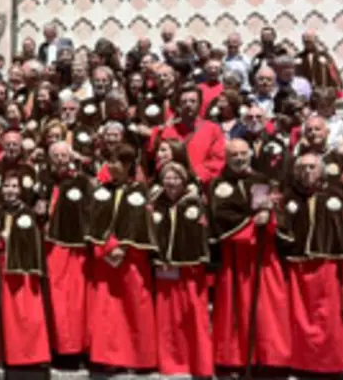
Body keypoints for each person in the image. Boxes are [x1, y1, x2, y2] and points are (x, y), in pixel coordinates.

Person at [277, 153, 343, 374]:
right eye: (303, 167)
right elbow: (281, 228)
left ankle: (331, 363)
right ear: (295, 171)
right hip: (297, 266)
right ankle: (302, 363)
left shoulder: (337, 193)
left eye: (312, 167)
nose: (308, 171)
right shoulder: (288, 197)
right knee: (299, 317)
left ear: (322, 170)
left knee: (330, 316)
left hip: (328, 266)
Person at [209, 139, 290, 374]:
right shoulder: (218, 184)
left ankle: (267, 358)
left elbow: (272, 210)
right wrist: (252, 221)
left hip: (262, 255)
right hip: (235, 255)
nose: (239, 158)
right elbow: (220, 215)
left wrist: (269, 212)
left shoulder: (262, 180)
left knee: (266, 309)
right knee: (235, 310)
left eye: (243, 153)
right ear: (226, 156)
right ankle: (234, 359)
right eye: (234, 154)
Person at [86, 144, 158, 371]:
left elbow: (139, 224)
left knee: (135, 306)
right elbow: (95, 222)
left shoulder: (140, 191)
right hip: (105, 259)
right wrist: (107, 247)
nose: (110, 165)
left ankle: (138, 358)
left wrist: (124, 248)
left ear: (127, 165)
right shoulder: (101, 190)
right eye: (108, 160)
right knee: (108, 312)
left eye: (115, 161)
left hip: (132, 261)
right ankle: (108, 358)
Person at [0, 172, 50, 366]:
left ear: (20, 190)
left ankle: (28, 355)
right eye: (6, 186)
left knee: (24, 316)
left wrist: (3, 240)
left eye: (14, 186)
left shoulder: (29, 214)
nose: (10, 191)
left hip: (21, 271)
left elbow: (30, 242)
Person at [151, 161, 212, 377]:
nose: (171, 182)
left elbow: (205, 235)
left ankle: (197, 364)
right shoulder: (156, 202)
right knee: (166, 322)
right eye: (167, 177)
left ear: (184, 180)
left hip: (190, 273)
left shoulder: (196, 203)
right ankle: (168, 363)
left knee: (192, 317)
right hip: (164, 271)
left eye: (176, 177)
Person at [32, 142, 92, 360]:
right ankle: (54, 347)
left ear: (71, 157)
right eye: (55, 155)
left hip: (74, 248)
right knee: (52, 299)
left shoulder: (83, 183)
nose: (59, 159)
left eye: (63, 155)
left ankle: (73, 349)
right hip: (48, 247)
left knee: (73, 301)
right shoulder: (43, 182)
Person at [148, 87, 226, 186]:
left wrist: (193, 176)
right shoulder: (167, 131)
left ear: (200, 104)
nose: (188, 105)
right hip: (170, 185)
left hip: (199, 185)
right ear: (179, 105)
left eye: (193, 101)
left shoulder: (213, 129)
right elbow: (155, 157)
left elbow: (217, 160)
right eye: (184, 102)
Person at [295, 29, 343, 97]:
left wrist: (338, 87)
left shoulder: (324, 56)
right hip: (304, 94)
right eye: (305, 42)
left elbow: (332, 72)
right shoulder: (298, 58)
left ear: (315, 41)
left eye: (310, 41)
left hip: (322, 93)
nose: (307, 44)